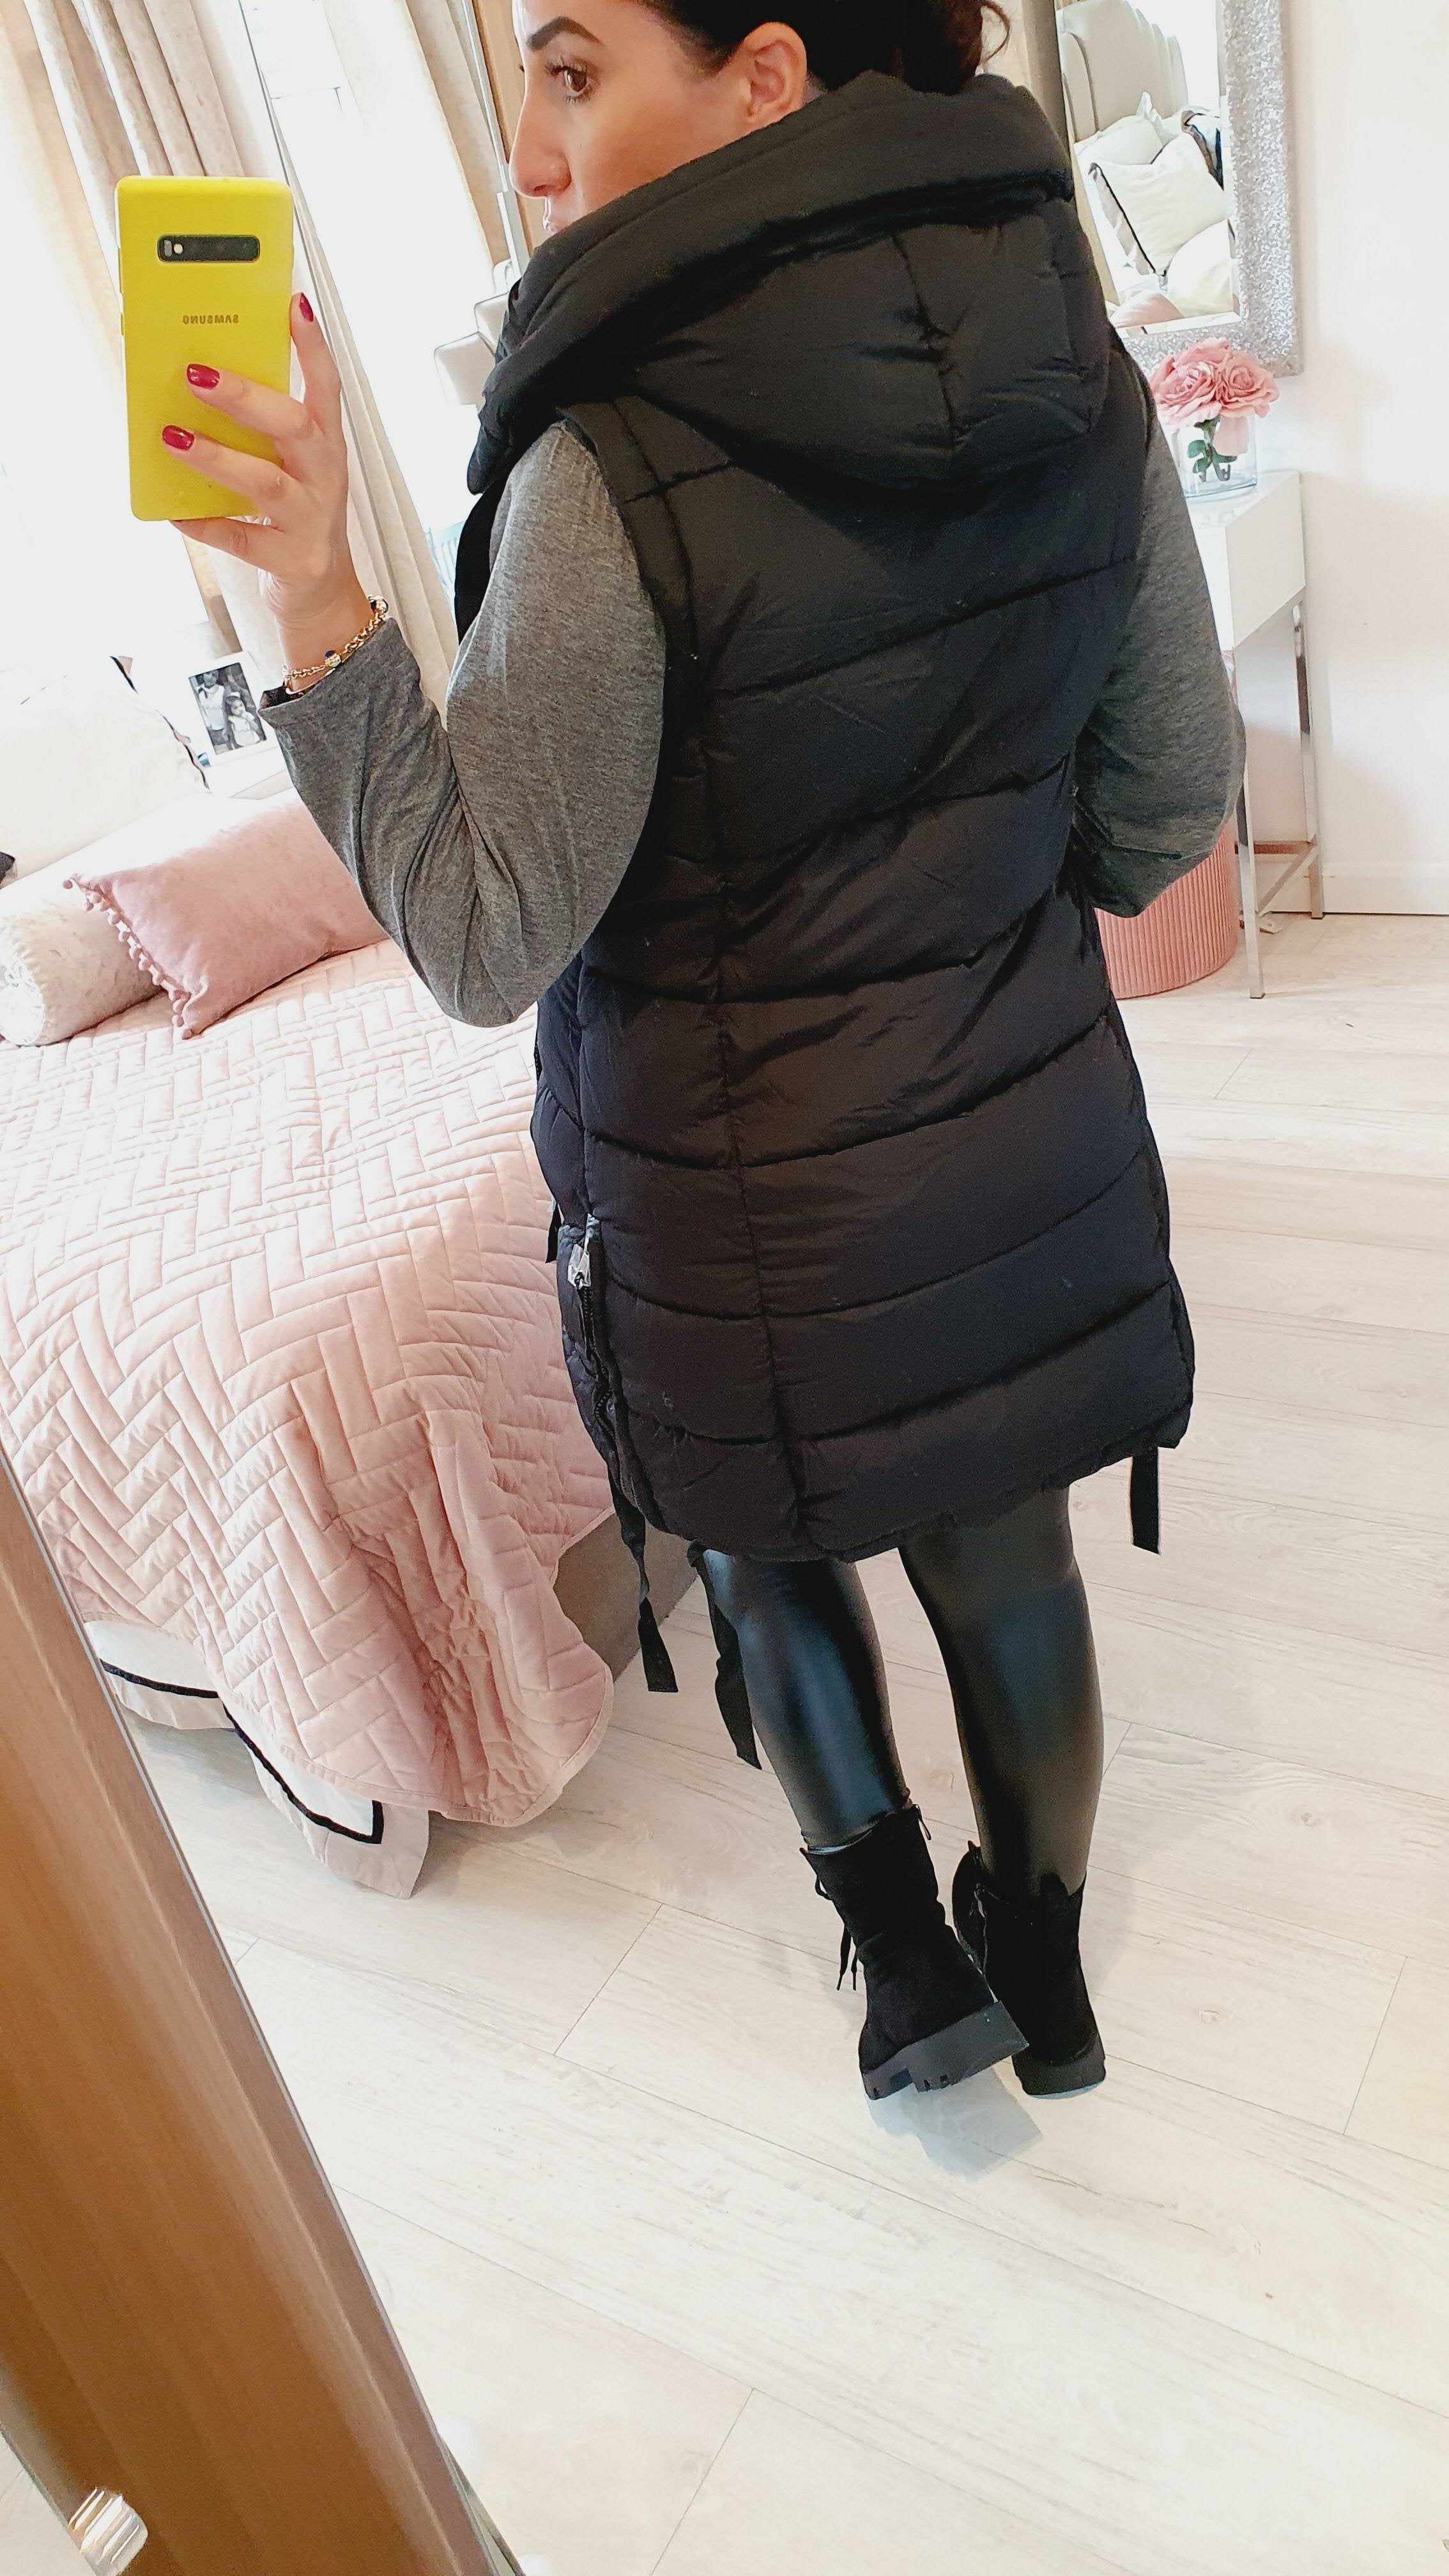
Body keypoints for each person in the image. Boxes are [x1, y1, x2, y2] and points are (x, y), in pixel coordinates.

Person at [170, 0, 1243, 2105]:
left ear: (761, 77)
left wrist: (310, 605)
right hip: (1012, 1148)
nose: (526, 146)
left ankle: (906, 1965)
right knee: (1009, 1569)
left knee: (769, 1558)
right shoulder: (1080, 369)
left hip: (725, 1203)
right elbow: (1159, 811)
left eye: (571, 69)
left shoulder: (605, 454)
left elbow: (484, 933)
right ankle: (1045, 1973)